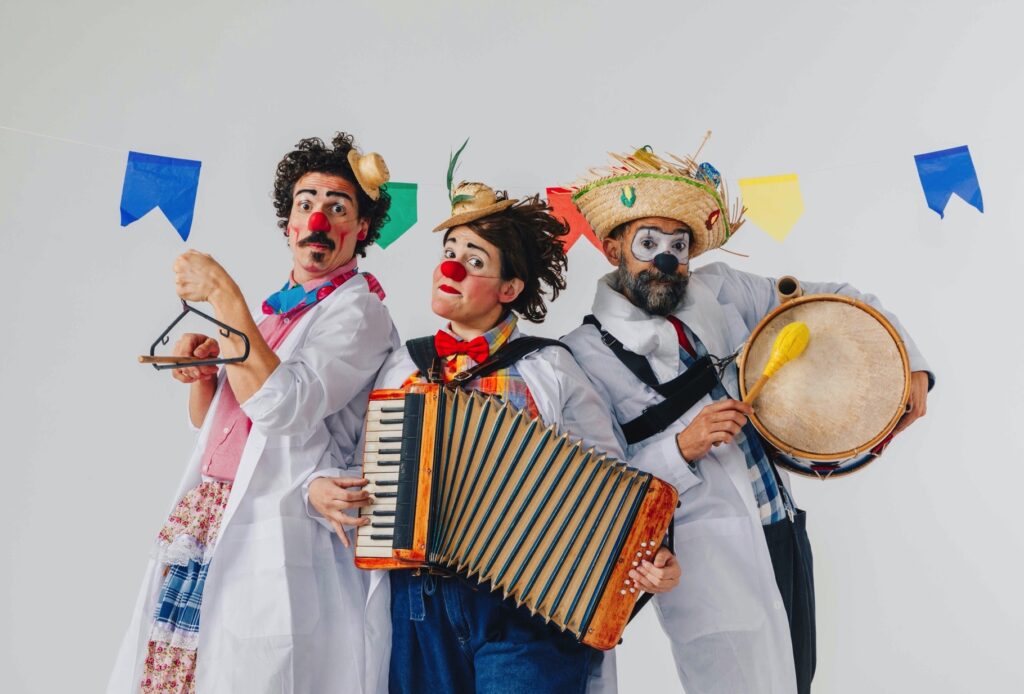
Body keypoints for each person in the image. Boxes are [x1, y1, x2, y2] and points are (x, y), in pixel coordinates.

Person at [561, 144, 934, 694]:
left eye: (678, 245)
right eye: (648, 243)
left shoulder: (724, 291)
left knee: (798, 682)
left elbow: (833, 300)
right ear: (611, 246)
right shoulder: (582, 355)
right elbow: (601, 487)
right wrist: (680, 446)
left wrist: (913, 367)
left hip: (782, 527)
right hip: (706, 556)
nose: (666, 259)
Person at [309, 162, 681, 694]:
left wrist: (652, 554)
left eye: (474, 260)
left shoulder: (550, 366)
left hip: (530, 608)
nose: (453, 268)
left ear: (509, 288)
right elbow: (349, 459)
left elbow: (614, 482)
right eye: (450, 254)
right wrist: (319, 486)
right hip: (418, 606)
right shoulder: (401, 366)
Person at [108, 133, 400, 693]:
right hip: (205, 521)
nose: (318, 218)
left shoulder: (358, 313)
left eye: (338, 207)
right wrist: (207, 378)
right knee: (178, 679)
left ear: (361, 229)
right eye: (305, 203)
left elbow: (284, 408)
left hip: (279, 529)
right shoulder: (272, 316)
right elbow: (217, 427)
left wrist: (224, 295)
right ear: (288, 223)